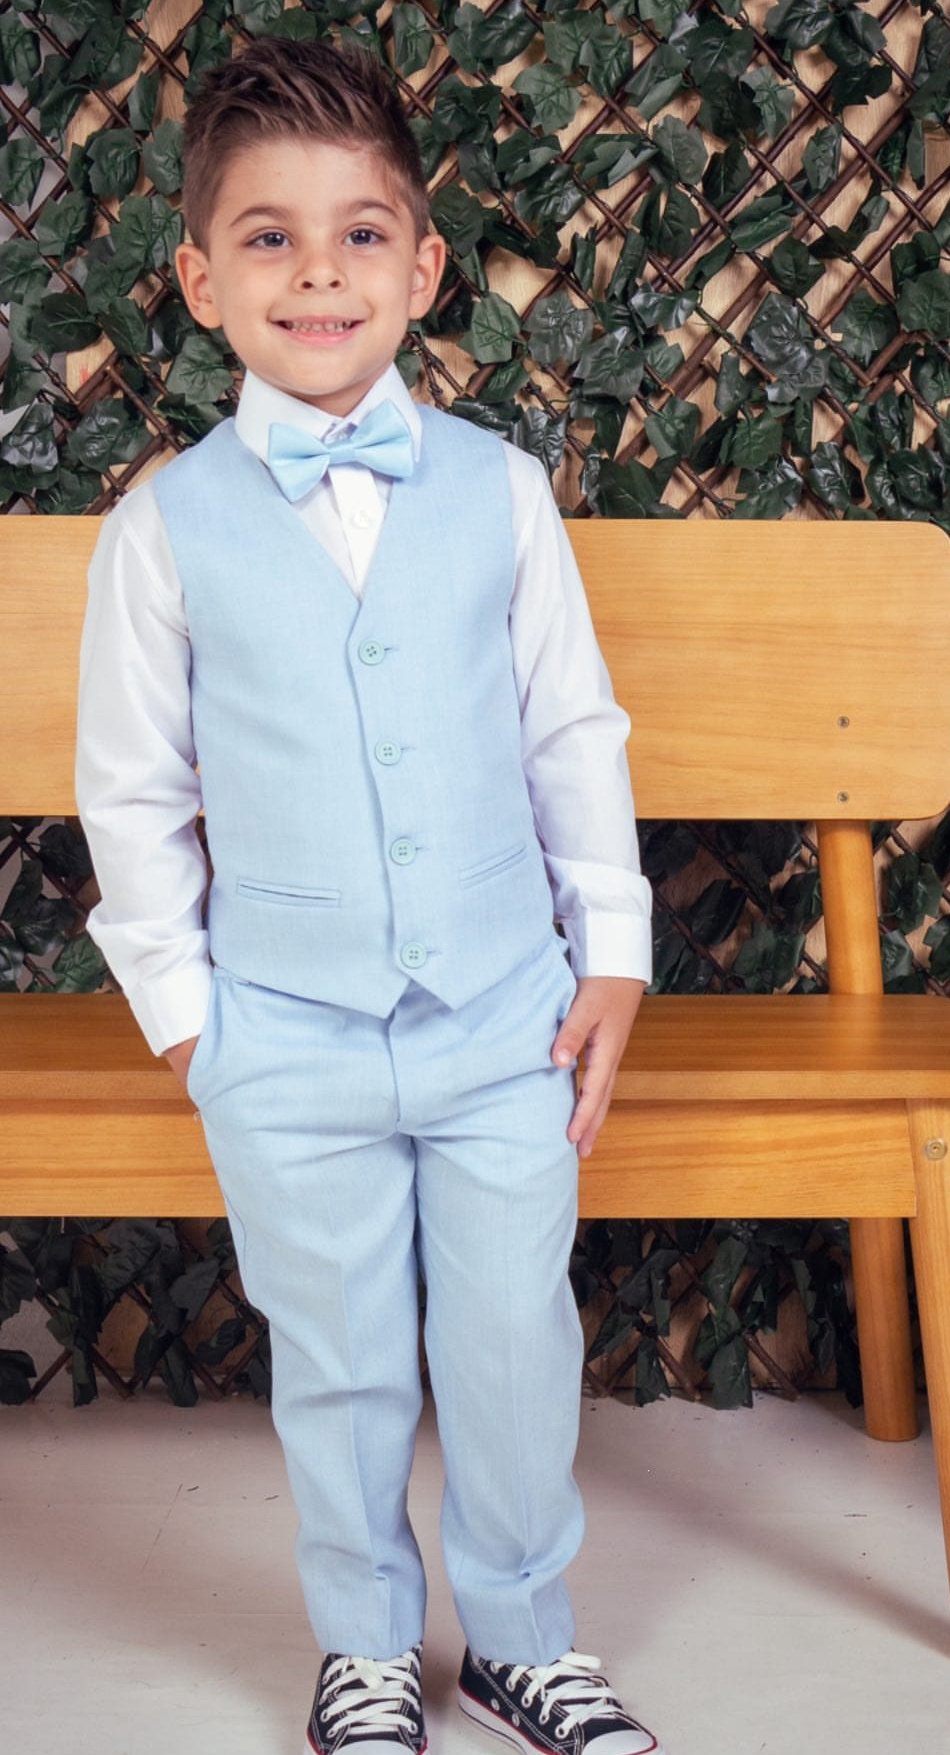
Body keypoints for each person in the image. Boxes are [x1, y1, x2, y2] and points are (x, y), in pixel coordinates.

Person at [74, 33, 660, 1755]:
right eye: (268, 236)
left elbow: (568, 727)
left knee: (509, 1343)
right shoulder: (164, 528)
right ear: (201, 280)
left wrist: (610, 954)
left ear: (422, 266)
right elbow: (131, 789)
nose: (318, 272)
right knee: (333, 1359)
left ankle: (524, 1636)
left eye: (358, 234)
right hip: (284, 1034)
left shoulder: (499, 490)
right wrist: (192, 1025)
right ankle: (363, 1644)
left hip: (501, 1018)